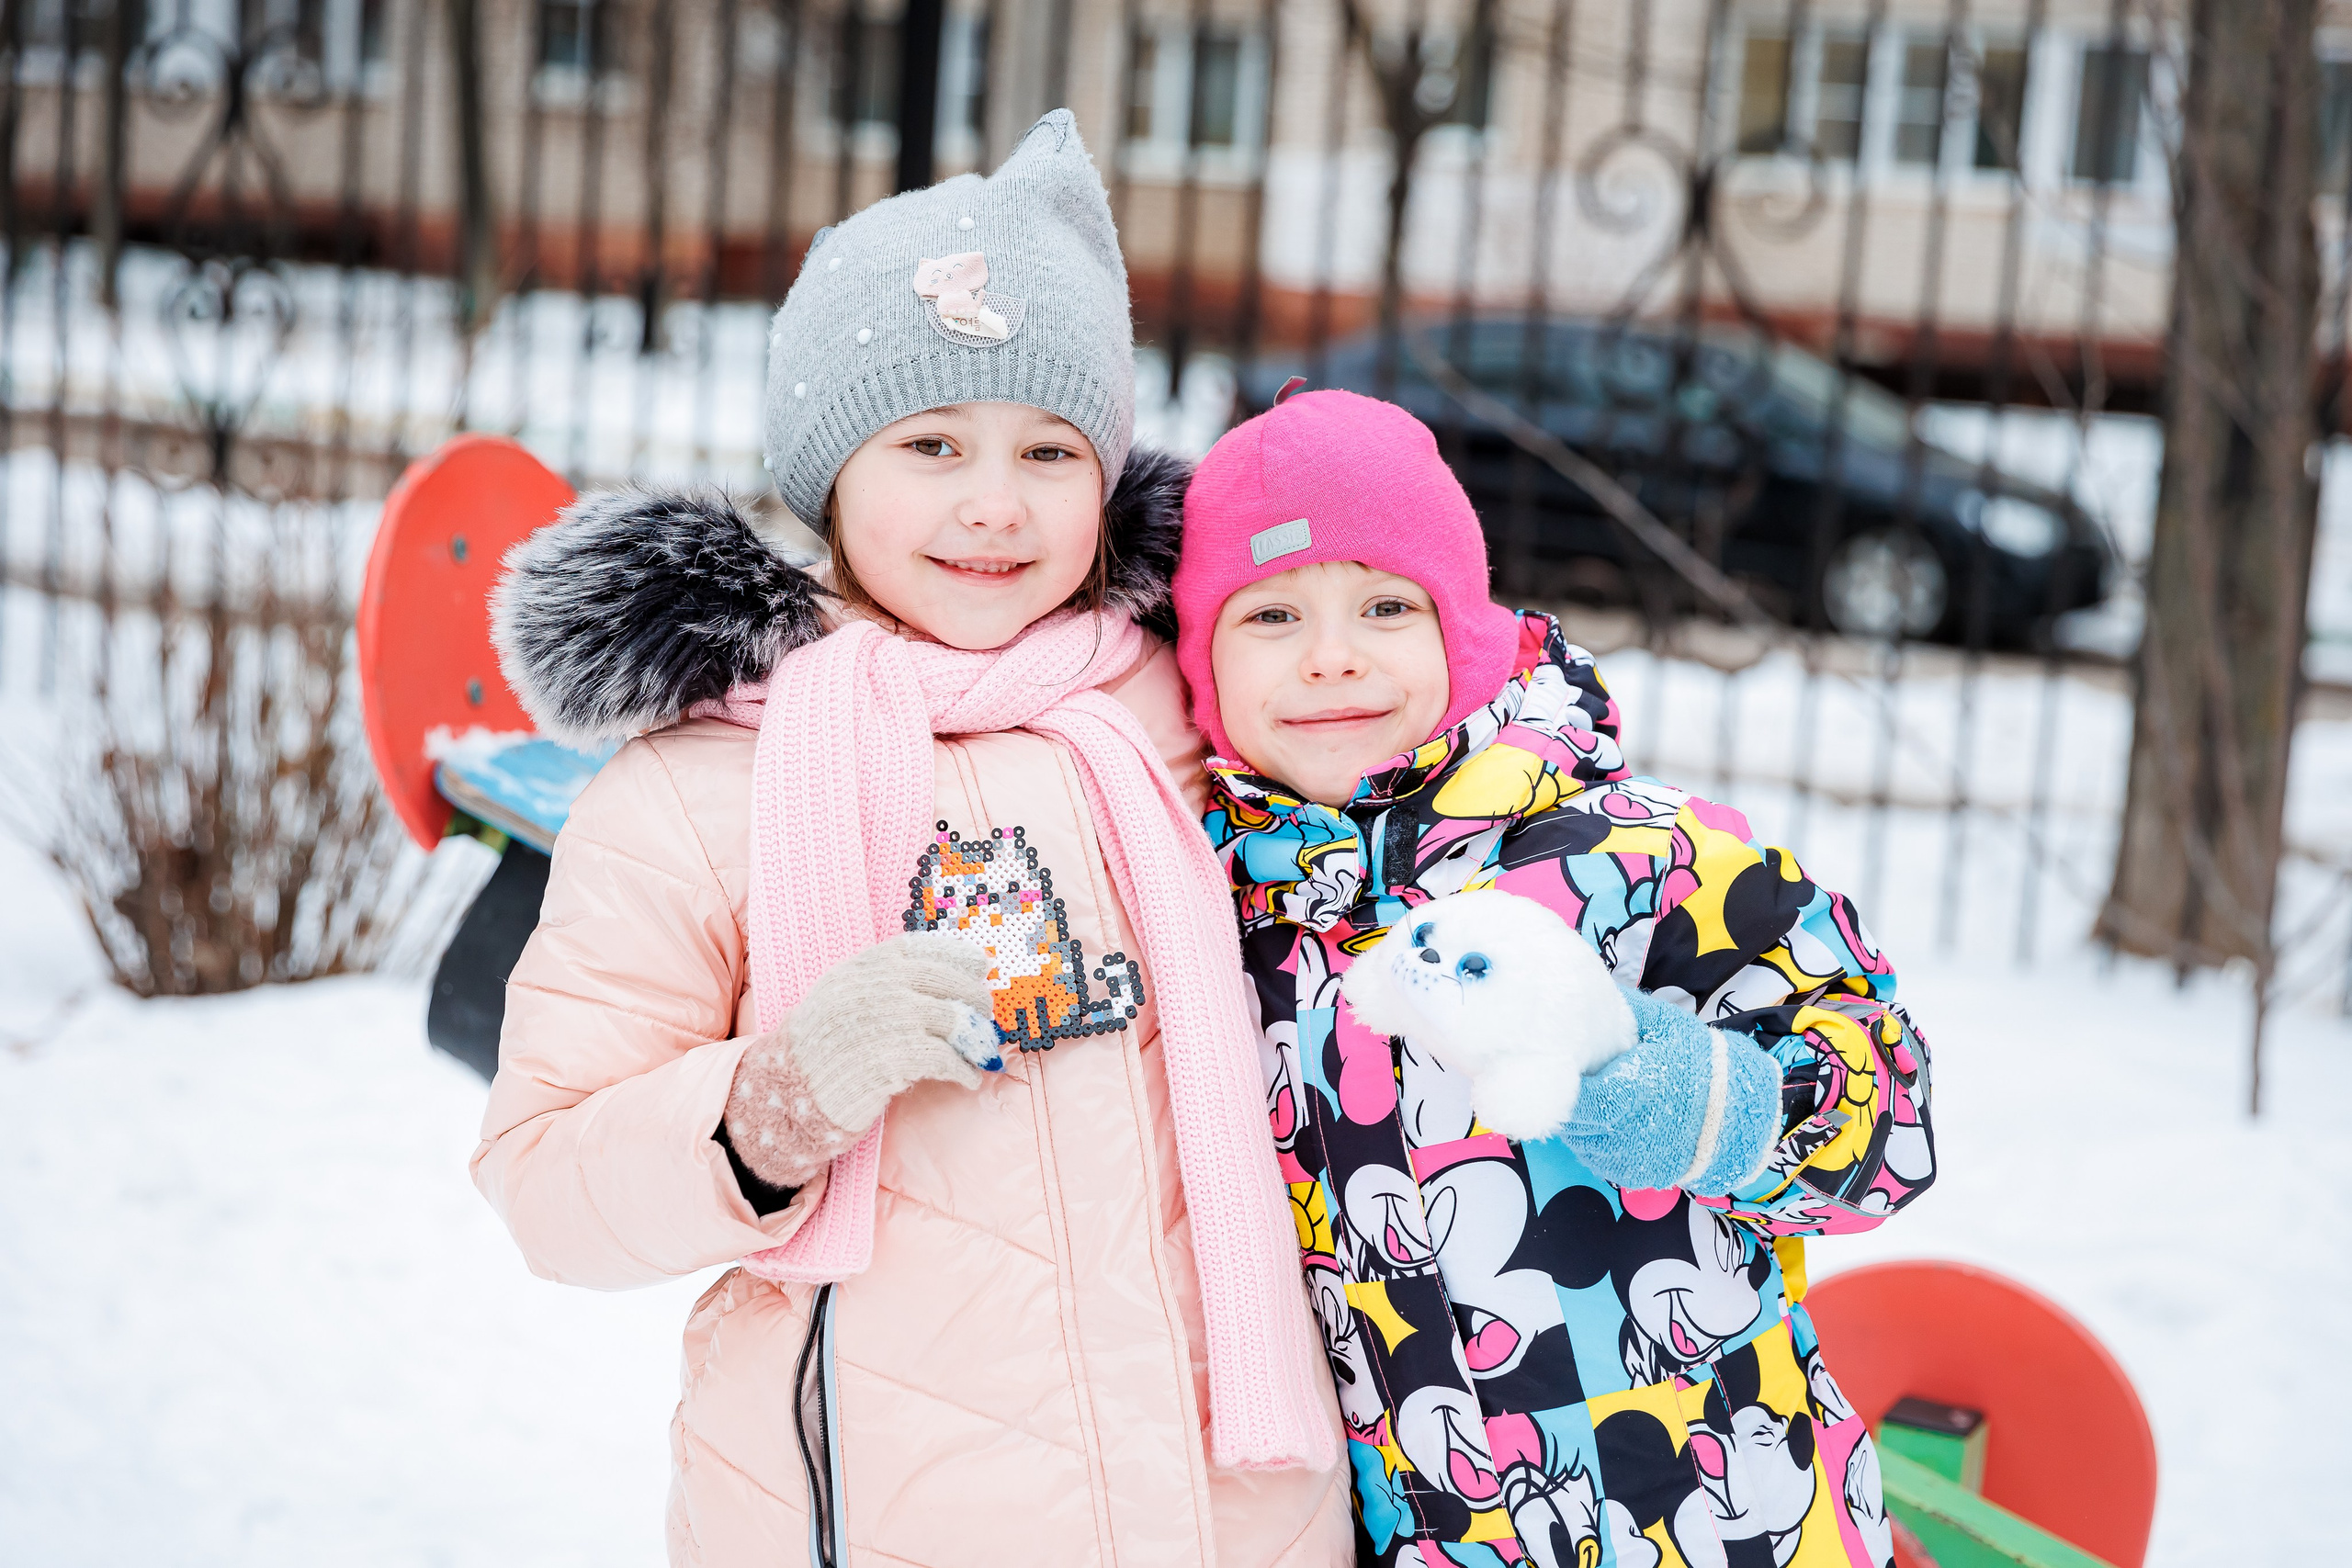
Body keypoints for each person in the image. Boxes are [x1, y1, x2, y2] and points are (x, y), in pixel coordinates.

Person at [474, 112, 1350, 1567]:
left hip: (1243, 1502)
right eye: (932, 441)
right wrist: (775, 1101)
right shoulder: (702, 786)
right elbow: (547, 1182)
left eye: (1050, 447)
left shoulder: (1187, 709)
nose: (994, 502)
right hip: (882, 1515)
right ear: (830, 474)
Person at [1170, 389, 1937, 1568]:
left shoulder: (1639, 858)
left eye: (1385, 604)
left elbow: (1892, 1111)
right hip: (1440, 1528)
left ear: (1462, 630)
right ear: (1202, 668)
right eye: (1269, 615)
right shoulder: (1217, 923)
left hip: (1736, 1516)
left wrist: (1704, 1106)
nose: (1331, 656)